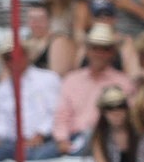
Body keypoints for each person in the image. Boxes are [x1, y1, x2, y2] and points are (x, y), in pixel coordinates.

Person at [52, 25, 131, 154]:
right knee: (35, 155)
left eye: (104, 49)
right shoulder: (72, 79)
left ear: (112, 53)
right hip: (73, 137)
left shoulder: (123, 82)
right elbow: (62, 115)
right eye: (95, 48)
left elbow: (125, 119)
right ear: (87, 50)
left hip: (105, 139)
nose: (99, 53)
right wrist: (62, 139)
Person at [0, 37, 61, 162]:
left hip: (45, 140)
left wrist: (41, 134)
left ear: (26, 55)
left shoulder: (48, 79)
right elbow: (3, 124)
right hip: (13, 144)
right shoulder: (2, 89)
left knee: (35, 155)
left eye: (16, 55)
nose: (13, 61)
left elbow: (56, 112)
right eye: (8, 58)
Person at [90, 87, 139, 162]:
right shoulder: (99, 137)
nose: (116, 112)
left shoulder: (138, 131)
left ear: (127, 109)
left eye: (120, 106)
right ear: (103, 112)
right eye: (110, 108)